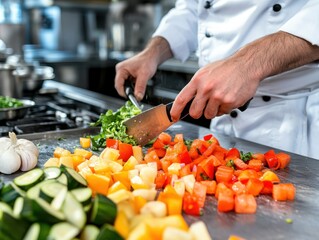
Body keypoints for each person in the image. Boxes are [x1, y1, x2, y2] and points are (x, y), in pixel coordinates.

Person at [114, 0, 319, 159]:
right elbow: (192, 10)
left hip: (298, 123)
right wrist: (152, 53)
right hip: (222, 124)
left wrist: (248, 64)